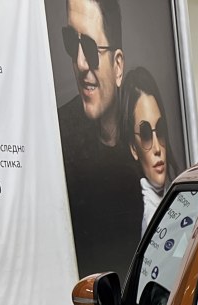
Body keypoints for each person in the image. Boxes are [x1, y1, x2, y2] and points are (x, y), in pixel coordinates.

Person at [56, 0, 142, 277]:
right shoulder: (61, 134)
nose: (80, 63)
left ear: (118, 66)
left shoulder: (142, 125)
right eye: (72, 42)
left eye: (91, 49)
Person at [121, 67, 175, 235]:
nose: (157, 149)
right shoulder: (148, 218)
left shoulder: (178, 195)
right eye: (145, 135)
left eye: (159, 130)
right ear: (133, 148)